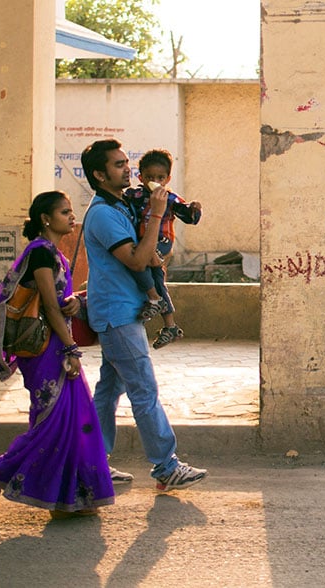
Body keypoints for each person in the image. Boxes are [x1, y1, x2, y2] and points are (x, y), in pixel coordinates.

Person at [0, 191, 115, 519]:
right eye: (64, 212)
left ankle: (69, 497)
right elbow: (50, 307)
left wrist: (75, 303)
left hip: (57, 343)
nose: (71, 217)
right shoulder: (40, 254)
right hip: (45, 349)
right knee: (51, 423)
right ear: (45, 219)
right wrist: (70, 349)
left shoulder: (54, 254)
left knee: (75, 419)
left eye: (70, 211)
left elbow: (59, 302)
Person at [80, 138, 207, 491]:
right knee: (143, 390)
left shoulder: (119, 205)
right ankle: (166, 467)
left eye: (125, 163)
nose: (127, 169)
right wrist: (154, 214)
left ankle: (93, 463)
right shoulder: (104, 214)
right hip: (117, 315)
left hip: (121, 311)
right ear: (99, 175)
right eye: (119, 165)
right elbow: (137, 259)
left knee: (109, 389)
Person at [125, 148, 203, 349]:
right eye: (150, 177)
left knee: (144, 261)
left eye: (160, 177)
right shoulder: (136, 195)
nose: (155, 181)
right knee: (156, 277)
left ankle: (153, 299)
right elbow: (122, 200)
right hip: (143, 243)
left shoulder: (170, 198)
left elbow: (187, 216)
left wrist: (194, 209)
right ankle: (170, 326)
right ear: (141, 177)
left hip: (162, 241)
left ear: (167, 179)